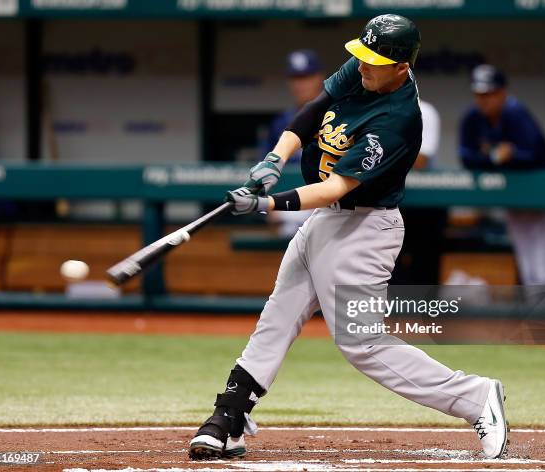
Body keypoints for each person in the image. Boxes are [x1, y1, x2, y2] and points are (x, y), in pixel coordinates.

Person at [189, 15, 508, 461]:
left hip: (365, 230)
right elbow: (315, 108)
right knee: (278, 316)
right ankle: (229, 417)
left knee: (362, 344)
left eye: (374, 62)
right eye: (361, 56)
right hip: (326, 221)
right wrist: (275, 158)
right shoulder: (365, 70)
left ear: (402, 68)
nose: (362, 67)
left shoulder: (398, 119)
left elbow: (336, 187)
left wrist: (266, 204)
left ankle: (475, 397)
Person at [459, 64, 545, 285]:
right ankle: (534, 309)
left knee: (542, 266)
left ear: (502, 92)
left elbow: (538, 155)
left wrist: (512, 154)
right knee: (526, 261)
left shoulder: (515, 112)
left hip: (541, 186)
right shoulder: (472, 118)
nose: (483, 99)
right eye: (479, 94)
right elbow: (466, 157)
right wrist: (495, 157)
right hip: (514, 190)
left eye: (489, 94)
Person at [261, 50, 324, 236]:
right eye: (296, 78)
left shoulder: (338, 116)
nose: (300, 84)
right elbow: (266, 166)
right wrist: (269, 206)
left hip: (328, 204)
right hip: (288, 205)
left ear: (320, 78)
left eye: (306, 77)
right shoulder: (281, 123)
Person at [391, 99, 446, 284]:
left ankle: (424, 309)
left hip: (421, 205)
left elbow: (420, 161)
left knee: (424, 269)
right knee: (387, 267)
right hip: (387, 201)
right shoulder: (370, 110)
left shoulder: (424, 111)